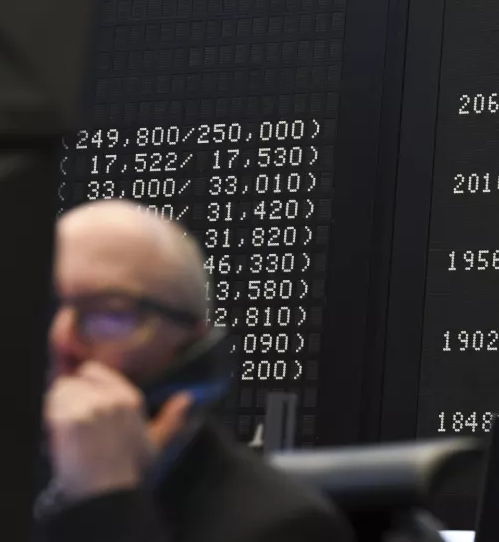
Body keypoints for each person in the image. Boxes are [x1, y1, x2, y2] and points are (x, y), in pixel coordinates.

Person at [36, 199, 353, 542]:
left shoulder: (287, 526)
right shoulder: (4, 477)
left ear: (192, 351)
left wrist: (107, 501)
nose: (61, 340)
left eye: (110, 315)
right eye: (44, 306)